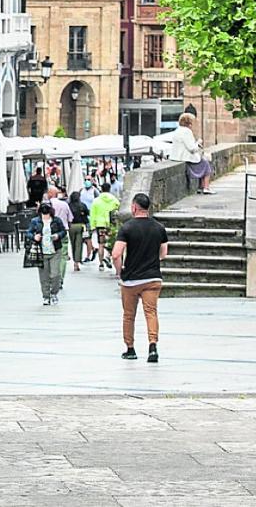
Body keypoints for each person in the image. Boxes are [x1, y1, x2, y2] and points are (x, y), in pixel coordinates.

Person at [112, 193, 169, 363]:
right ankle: (152, 346)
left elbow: (116, 254)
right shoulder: (159, 228)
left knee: (129, 315)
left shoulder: (127, 228)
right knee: (151, 312)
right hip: (152, 278)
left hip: (131, 279)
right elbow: (164, 253)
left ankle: (130, 348)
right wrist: (152, 260)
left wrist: (119, 270)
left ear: (134, 207)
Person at [27, 203, 66, 306]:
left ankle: (54, 293)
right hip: (41, 251)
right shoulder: (35, 221)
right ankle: (46, 296)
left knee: (55, 274)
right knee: (43, 276)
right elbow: (29, 233)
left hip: (55, 250)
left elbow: (63, 231)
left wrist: (58, 235)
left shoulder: (56, 220)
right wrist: (34, 237)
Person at [171, 112, 213, 194]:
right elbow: (192, 148)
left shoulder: (177, 130)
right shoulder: (187, 131)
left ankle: (201, 187)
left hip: (177, 157)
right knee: (206, 164)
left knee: (203, 162)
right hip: (186, 157)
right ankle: (206, 187)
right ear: (189, 123)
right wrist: (198, 143)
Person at [88, 184, 121, 271]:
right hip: (111, 225)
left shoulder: (96, 201)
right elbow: (118, 211)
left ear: (101, 189)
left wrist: (93, 225)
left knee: (101, 244)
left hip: (100, 225)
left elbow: (92, 214)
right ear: (109, 189)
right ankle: (108, 257)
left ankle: (101, 264)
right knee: (112, 243)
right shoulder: (114, 200)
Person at [66, 191, 89, 273]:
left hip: (71, 226)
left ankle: (74, 259)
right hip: (80, 226)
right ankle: (77, 262)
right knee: (79, 244)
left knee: (73, 244)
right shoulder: (82, 205)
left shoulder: (68, 206)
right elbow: (87, 213)